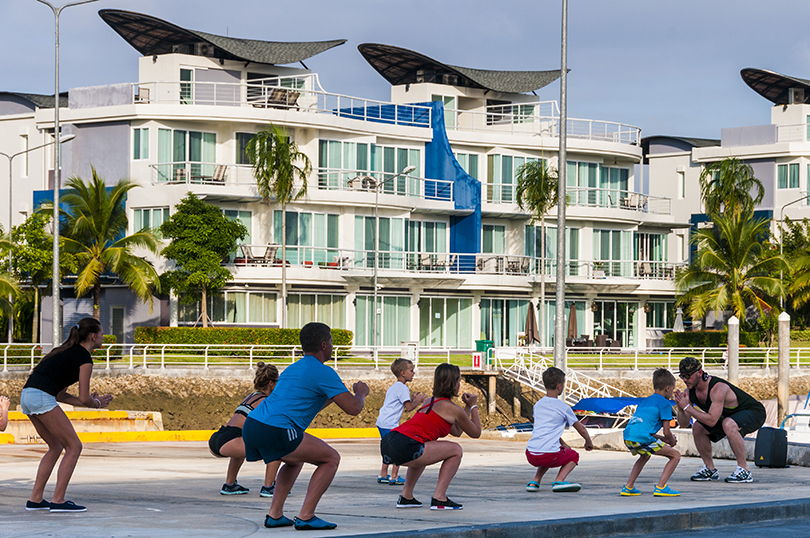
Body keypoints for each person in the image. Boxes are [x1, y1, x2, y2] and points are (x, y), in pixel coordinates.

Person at [242, 322, 369, 531]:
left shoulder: (293, 369)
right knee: (331, 458)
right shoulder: (323, 372)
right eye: (330, 341)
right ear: (323, 345)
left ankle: (275, 515)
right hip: (277, 428)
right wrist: (361, 392)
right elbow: (354, 408)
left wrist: (336, 395)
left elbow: (308, 401)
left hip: (254, 424)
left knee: (295, 461)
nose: (331, 344)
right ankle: (306, 516)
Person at [20, 318, 113, 512]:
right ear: (93, 336)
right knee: (74, 446)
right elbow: (85, 398)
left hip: (27, 395)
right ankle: (59, 500)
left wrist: (90, 402)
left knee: (55, 446)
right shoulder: (84, 358)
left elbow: (62, 394)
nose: (103, 337)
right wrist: (95, 403)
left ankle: (35, 499)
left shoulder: (65, 351)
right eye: (102, 334)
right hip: (41, 396)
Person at [380, 363, 481, 511]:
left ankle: (406, 497)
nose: (460, 384)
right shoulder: (451, 408)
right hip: (406, 445)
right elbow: (476, 432)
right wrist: (473, 406)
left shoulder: (429, 401)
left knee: (426, 444)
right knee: (456, 450)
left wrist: (465, 407)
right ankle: (440, 497)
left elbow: (457, 430)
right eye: (458, 380)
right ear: (452, 383)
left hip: (390, 442)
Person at [674, 357, 766, 483]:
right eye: (682, 376)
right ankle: (709, 469)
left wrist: (688, 408)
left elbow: (711, 420)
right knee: (698, 427)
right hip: (725, 417)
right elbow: (684, 424)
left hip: (754, 413)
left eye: (688, 376)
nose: (685, 380)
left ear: (700, 373)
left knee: (728, 424)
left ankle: (744, 470)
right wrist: (680, 408)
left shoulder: (718, 388)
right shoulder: (689, 392)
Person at [209, 361, 281, 497]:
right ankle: (269, 487)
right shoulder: (266, 401)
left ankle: (230, 484)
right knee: (277, 447)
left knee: (243, 442)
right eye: (278, 381)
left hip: (218, 438)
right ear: (271, 383)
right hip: (230, 440)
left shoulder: (251, 396)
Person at [525, 367, 593, 493]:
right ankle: (559, 481)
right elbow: (581, 429)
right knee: (574, 456)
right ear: (559, 386)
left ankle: (535, 481)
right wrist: (588, 441)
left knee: (548, 450)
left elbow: (546, 431)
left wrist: (562, 443)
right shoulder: (563, 407)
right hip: (549, 455)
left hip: (530, 454)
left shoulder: (537, 405)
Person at [621, 368, 681, 497]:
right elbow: (667, 431)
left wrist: (664, 440)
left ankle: (628, 486)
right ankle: (661, 487)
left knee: (645, 455)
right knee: (675, 456)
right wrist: (671, 441)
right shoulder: (665, 404)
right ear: (668, 388)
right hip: (642, 438)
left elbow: (644, 429)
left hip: (628, 435)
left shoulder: (644, 401)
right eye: (673, 389)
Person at [375, 358, 425, 485]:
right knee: (397, 448)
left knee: (388, 447)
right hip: (390, 423)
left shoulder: (394, 387)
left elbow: (401, 403)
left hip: (382, 421)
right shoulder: (403, 388)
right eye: (411, 370)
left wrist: (412, 399)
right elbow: (409, 408)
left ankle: (383, 474)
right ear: (403, 373)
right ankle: (394, 476)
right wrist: (418, 401)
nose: (413, 373)